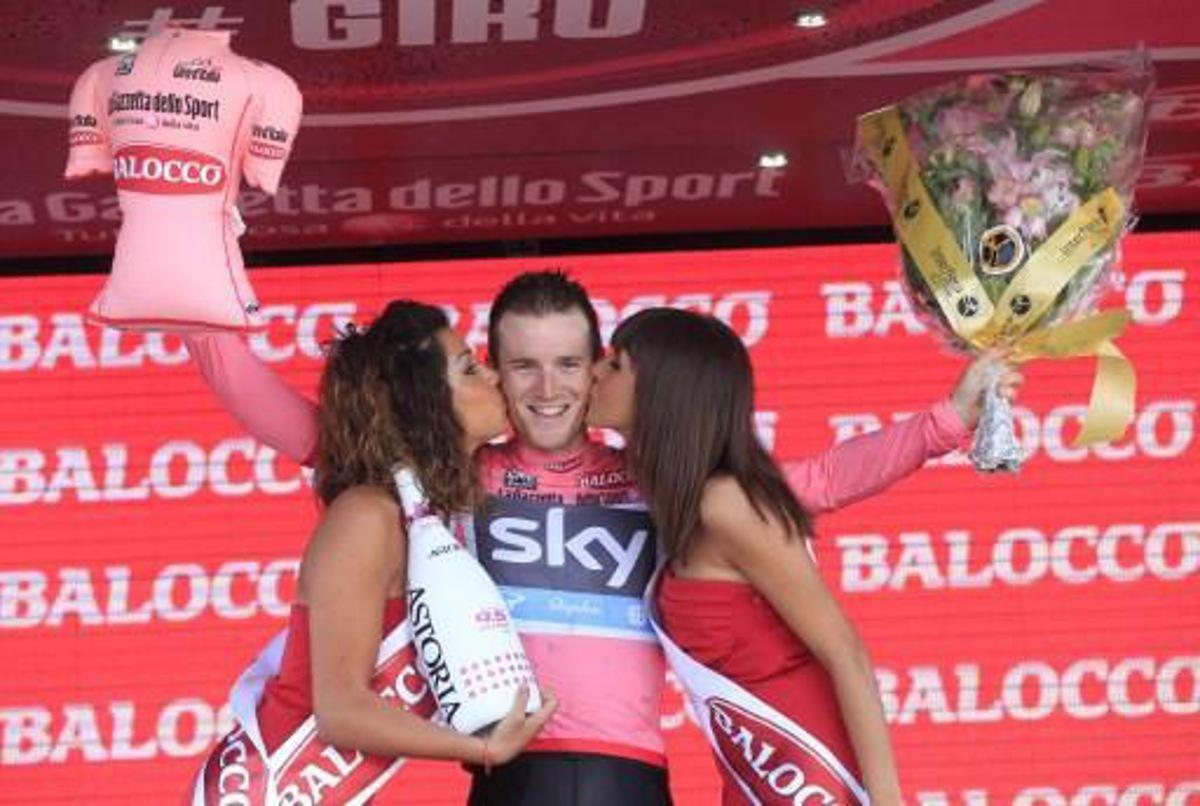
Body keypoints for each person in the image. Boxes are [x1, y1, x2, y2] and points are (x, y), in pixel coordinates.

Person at [184, 270, 1012, 805]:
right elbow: (307, 424)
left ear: (597, 369)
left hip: (634, 774)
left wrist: (947, 421)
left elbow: (817, 482)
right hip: (507, 772)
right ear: (495, 373)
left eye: (572, 365)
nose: (547, 388)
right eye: (520, 366)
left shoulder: (661, 485)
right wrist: (190, 292)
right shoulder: (449, 477)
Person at [586, 308, 1022, 804]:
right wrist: (949, 418)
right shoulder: (683, 499)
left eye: (615, 364)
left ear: (665, 391)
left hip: (810, 774)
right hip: (755, 774)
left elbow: (846, 653)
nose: (594, 372)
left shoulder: (726, 506)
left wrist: (886, 798)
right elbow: (827, 476)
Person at [191, 301, 556, 803]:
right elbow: (340, 711)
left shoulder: (430, 512)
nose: (494, 377)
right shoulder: (366, 516)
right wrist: (481, 748)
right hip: (266, 790)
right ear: (421, 403)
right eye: (469, 368)